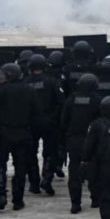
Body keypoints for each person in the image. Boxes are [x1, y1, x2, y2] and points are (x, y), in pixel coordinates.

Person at [0, 63, 41, 211]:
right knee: (20, 168)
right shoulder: (29, 89)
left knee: (0, 165)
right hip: (23, 133)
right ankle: (18, 200)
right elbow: (37, 111)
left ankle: (0, 195)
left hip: (3, 133)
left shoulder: (0, 90)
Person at [62, 73, 101, 213]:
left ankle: (75, 203)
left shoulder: (71, 99)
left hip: (74, 140)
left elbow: (64, 120)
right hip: (92, 140)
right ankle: (95, 199)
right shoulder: (97, 100)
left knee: (74, 172)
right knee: (94, 170)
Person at [26, 54, 64, 196]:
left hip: (31, 123)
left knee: (30, 153)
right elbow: (61, 102)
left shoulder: (26, 82)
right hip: (49, 122)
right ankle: (47, 178)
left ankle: (34, 183)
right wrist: (55, 118)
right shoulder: (52, 82)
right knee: (50, 152)